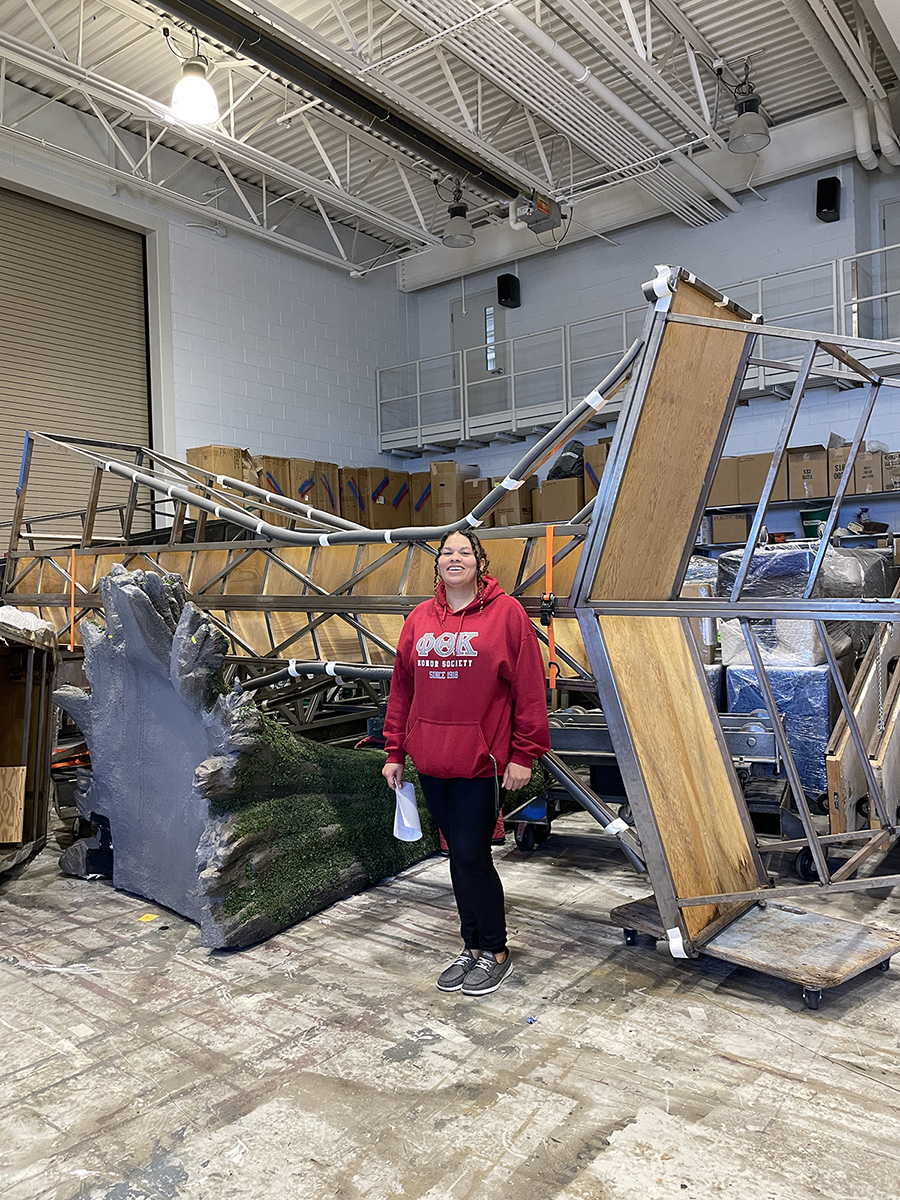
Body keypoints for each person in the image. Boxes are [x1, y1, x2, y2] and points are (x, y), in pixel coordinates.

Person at [382, 529, 551, 996]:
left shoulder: (506, 615)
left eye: (464, 552)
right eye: (446, 552)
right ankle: (470, 945)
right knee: (456, 855)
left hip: (483, 763)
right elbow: (403, 690)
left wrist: (524, 753)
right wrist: (394, 750)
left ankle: (495, 951)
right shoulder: (419, 619)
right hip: (432, 761)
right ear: (437, 564)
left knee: (474, 856)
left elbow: (530, 689)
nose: (454, 558)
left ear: (479, 562)